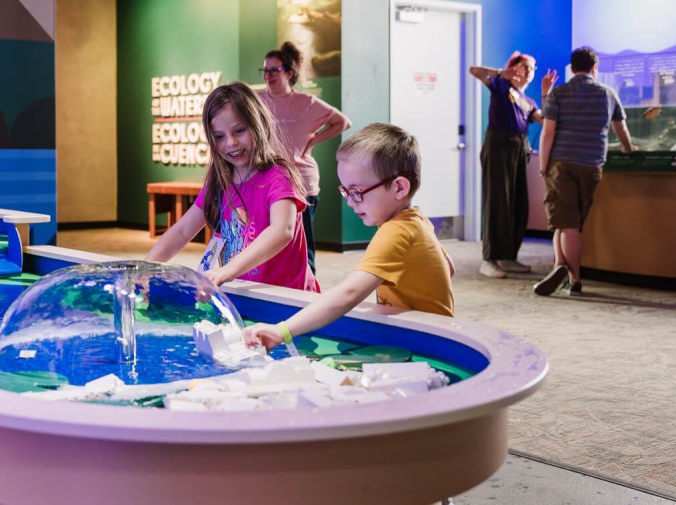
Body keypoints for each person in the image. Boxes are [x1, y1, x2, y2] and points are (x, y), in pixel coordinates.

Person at [244, 123, 454, 353]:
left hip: (427, 346)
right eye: (345, 191)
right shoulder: (417, 220)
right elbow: (448, 266)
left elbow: (349, 293)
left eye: (356, 192)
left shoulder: (397, 232)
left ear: (399, 188)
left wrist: (282, 331)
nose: (350, 201)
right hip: (430, 335)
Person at [146, 81, 319, 292]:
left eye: (239, 131)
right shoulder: (219, 180)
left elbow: (282, 230)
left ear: (260, 125)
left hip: (287, 298)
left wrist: (227, 271)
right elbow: (182, 231)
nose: (231, 143)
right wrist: (144, 269)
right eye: (219, 136)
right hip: (243, 292)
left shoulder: (279, 175)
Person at [534, 46, 635, 296]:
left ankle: (574, 278)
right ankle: (559, 266)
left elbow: (548, 132)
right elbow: (621, 129)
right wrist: (628, 148)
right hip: (592, 164)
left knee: (567, 223)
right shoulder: (608, 94)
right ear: (594, 68)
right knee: (568, 222)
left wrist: (543, 165)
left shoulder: (560, 92)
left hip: (562, 162)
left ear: (572, 68)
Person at [259, 41, 351, 275]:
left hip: (302, 180)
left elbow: (342, 122)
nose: (268, 75)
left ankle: (308, 287)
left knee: (303, 242)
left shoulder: (306, 103)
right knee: (268, 239)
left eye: (274, 70)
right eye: (265, 70)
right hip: (267, 181)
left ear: (288, 73)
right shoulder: (257, 101)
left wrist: (314, 140)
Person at [469, 51, 557, 278]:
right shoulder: (500, 85)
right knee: (497, 202)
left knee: (518, 204)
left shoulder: (528, 101)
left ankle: (508, 256)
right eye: (524, 67)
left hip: (518, 149)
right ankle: (489, 259)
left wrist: (546, 93)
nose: (528, 72)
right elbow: (474, 71)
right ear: (514, 68)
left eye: (531, 69)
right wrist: (501, 72)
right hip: (498, 146)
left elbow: (545, 120)